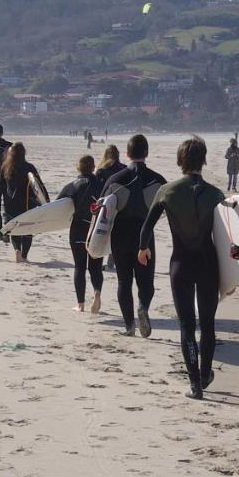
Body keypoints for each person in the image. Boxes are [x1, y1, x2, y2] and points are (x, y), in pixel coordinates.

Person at [139, 136, 226, 399]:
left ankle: (195, 385)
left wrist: (143, 249)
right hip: (209, 265)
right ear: (204, 159)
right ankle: (206, 373)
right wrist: (234, 273)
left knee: (187, 326)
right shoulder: (216, 194)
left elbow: (146, 228)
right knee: (208, 324)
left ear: (180, 160)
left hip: (181, 265)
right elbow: (228, 237)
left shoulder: (166, 191)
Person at [102, 134, 167, 337]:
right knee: (146, 282)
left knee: (124, 282)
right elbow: (169, 208)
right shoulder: (158, 180)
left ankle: (129, 326)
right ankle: (143, 307)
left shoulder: (115, 180)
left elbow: (100, 210)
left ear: (128, 154)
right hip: (145, 239)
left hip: (120, 237)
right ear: (146, 153)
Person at [57, 154, 105, 313]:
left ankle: (80, 304)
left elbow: (57, 206)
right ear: (93, 168)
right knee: (96, 266)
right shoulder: (102, 185)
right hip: (97, 230)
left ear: (78, 167)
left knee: (80, 266)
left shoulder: (73, 185)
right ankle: (97, 292)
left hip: (78, 230)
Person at [0, 142, 48, 263]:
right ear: (23, 153)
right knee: (28, 229)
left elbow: (0, 186)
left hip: (10, 204)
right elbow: (39, 186)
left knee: (14, 228)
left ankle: (17, 249)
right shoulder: (30, 167)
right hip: (28, 203)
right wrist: (46, 201)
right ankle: (24, 255)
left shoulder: (5, 167)